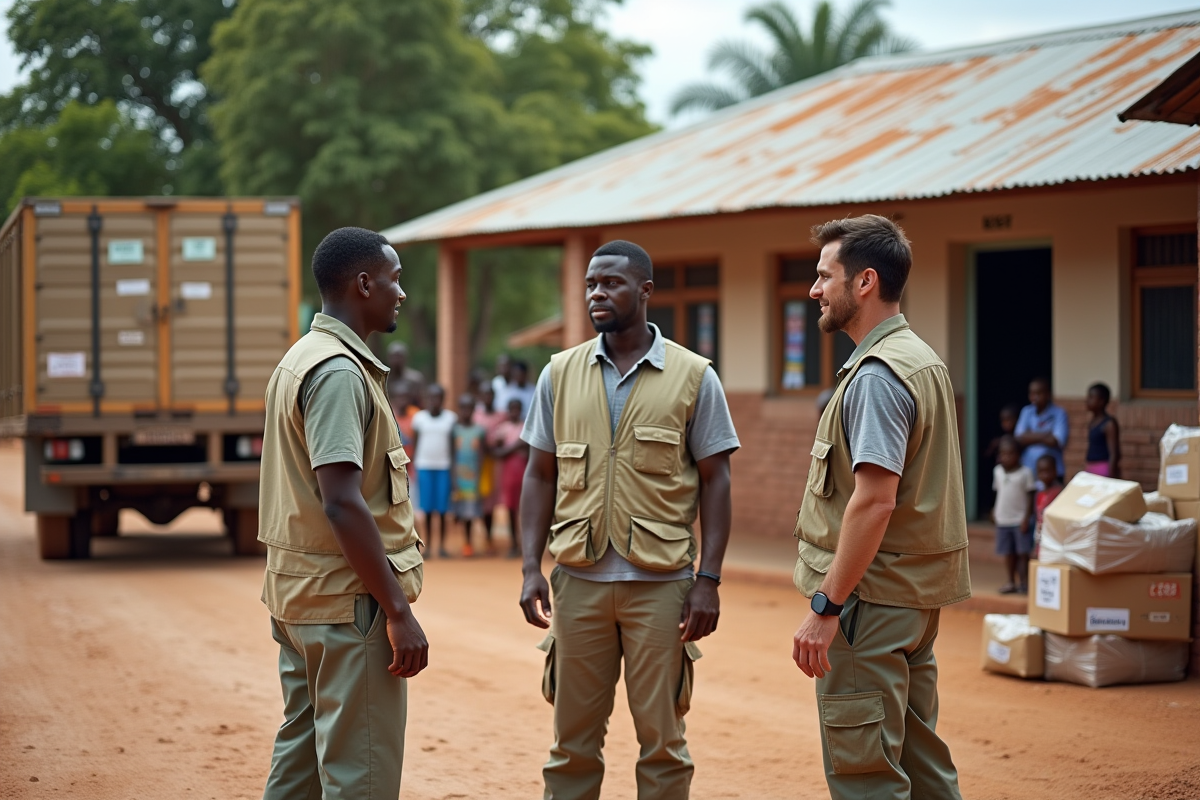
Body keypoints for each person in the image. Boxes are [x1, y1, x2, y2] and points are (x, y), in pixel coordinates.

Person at [519, 239, 740, 799]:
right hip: (578, 585)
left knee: (663, 744)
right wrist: (528, 568)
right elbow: (539, 475)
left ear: (644, 291)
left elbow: (717, 481)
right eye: (591, 283)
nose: (597, 293)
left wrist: (708, 581)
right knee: (571, 745)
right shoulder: (559, 374)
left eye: (612, 283)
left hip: (662, 589)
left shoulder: (694, 377)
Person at [791, 215, 970, 800]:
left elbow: (874, 500)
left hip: (869, 604)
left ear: (864, 282)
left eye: (824, 275)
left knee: (867, 774)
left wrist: (827, 605)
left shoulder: (876, 376)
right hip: (910, 602)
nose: (814, 289)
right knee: (921, 767)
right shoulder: (920, 359)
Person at [257, 227, 428, 800]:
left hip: (305, 599)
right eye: (394, 278)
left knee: (300, 765)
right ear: (363, 284)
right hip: (347, 606)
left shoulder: (302, 357)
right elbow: (342, 501)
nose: (400, 292)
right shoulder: (337, 372)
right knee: (362, 778)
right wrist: (397, 611)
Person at [411, 384, 457, 558]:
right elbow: (415, 445)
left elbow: (453, 448)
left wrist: (453, 472)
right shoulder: (419, 419)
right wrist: (414, 466)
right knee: (428, 509)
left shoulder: (451, 419)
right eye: (431, 397)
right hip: (424, 467)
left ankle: (442, 546)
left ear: (443, 399)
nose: (434, 401)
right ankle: (429, 545)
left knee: (443, 509)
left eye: (438, 397)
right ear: (426, 399)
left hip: (443, 467)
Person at [992, 435, 1035, 594]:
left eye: (1010, 454)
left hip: (1020, 520)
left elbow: (1031, 496)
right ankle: (1011, 582)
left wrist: (1026, 518)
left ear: (1018, 455)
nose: (1006, 457)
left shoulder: (1026, 473)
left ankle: (1025, 583)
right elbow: (998, 493)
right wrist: (994, 511)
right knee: (1008, 553)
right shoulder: (997, 472)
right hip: (1003, 518)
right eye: (1003, 454)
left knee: (1023, 553)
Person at [491, 397, 530, 558]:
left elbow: (529, 451)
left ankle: (526, 544)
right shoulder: (503, 429)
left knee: (526, 510)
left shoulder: (526, 427)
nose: (515, 412)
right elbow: (498, 453)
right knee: (510, 509)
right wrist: (517, 446)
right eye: (512, 409)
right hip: (508, 474)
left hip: (524, 472)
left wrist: (512, 448)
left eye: (517, 409)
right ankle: (514, 543)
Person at [450, 393, 486, 557]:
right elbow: (451, 455)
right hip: (459, 477)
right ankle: (462, 541)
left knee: (470, 513)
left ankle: (468, 543)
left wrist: (479, 476)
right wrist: (453, 478)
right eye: (463, 408)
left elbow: (481, 455)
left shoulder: (479, 431)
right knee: (459, 511)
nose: (466, 411)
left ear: (473, 410)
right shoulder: (455, 430)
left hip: (472, 477)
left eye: (469, 408)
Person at [1015, 377, 1069, 483]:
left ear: (1048, 394)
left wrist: (1030, 435)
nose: (1035, 397)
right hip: (1029, 470)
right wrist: (1045, 435)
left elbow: (1056, 441)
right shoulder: (1026, 412)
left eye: (1039, 393)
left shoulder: (1059, 413)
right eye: (1032, 393)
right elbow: (1018, 439)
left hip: (1052, 472)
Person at [474, 384, 506, 554]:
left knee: (492, 500)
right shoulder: (476, 416)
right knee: (480, 497)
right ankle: (483, 536)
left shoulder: (501, 416)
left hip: (495, 463)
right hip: (478, 463)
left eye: (490, 394)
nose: (487, 398)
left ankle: (490, 535)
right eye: (484, 394)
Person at [1084, 382, 1120, 478]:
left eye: (1091, 397)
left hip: (1103, 468)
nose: (1087, 400)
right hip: (1091, 466)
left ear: (1101, 401)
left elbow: (1114, 453)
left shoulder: (1109, 424)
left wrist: (1112, 476)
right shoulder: (1093, 421)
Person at [1033, 454, 1064, 559]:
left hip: (1053, 538)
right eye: (1041, 472)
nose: (1045, 475)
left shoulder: (1059, 492)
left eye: (1048, 471)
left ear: (1055, 471)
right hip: (1041, 536)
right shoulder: (1039, 494)